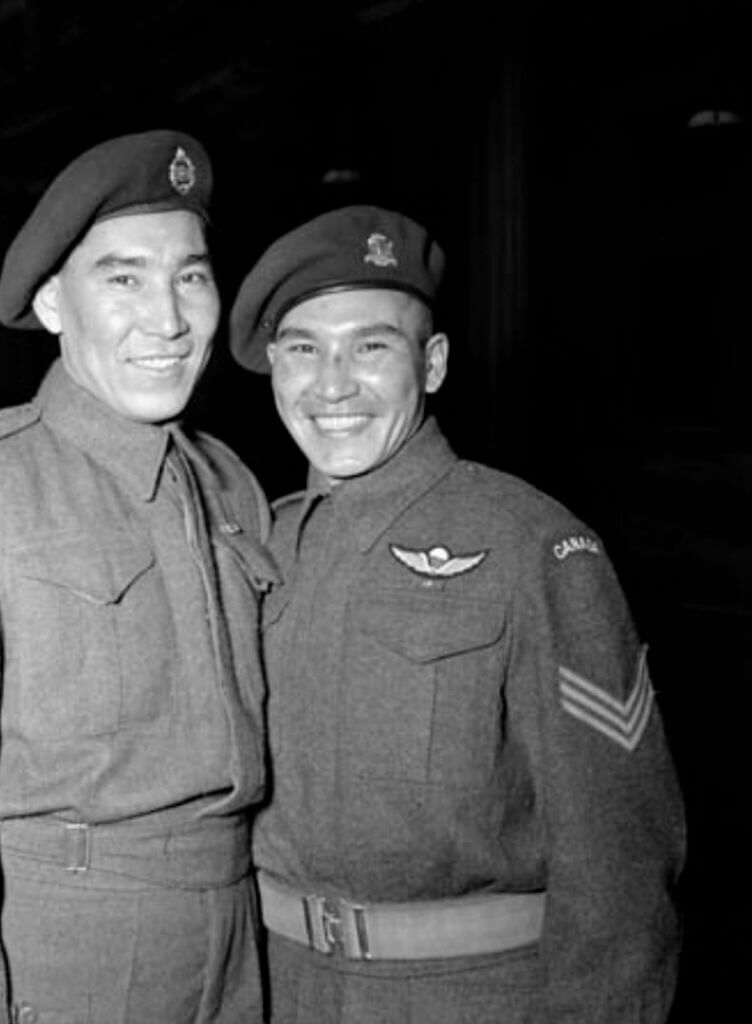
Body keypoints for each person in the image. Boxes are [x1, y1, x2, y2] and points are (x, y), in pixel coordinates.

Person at [0, 129, 279, 1024]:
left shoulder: (229, 484)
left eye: (190, 276)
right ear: (53, 303)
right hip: (65, 963)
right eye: (123, 279)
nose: (169, 318)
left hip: (235, 957)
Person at [229, 205, 685, 1023]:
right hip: (281, 989)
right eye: (303, 349)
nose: (331, 385)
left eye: (371, 347)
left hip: (469, 998)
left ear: (432, 364)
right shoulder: (262, 544)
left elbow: (617, 854)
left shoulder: (533, 544)